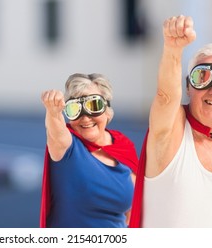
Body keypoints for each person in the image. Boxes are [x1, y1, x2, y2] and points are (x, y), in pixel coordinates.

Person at [130, 15, 212, 228]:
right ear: (187, 87)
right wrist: (173, 50)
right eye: (201, 77)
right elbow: (166, 97)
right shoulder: (170, 132)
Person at [39, 73, 139, 227]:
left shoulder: (123, 145)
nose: (85, 118)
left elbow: (132, 210)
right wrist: (53, 111)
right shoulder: (68, 148)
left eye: (94, 106)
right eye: (75, 109)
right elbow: (55, 131)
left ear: (107, 110)